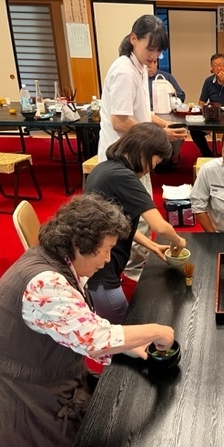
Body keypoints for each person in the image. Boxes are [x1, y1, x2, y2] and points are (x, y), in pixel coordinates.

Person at [0, 194, 177, 447]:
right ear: (79, 244)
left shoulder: (52, 256)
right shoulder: (45, 283)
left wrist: (134, 345)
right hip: (28, 382)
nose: (109, 259)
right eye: (106, 250)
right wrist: (158, 331)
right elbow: (94, 338)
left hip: (27, 363)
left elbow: (79, 320)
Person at [97, 15, 186, 282]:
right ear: (133, 38)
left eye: (159, 51)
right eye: (151, 48)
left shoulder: (136, 66)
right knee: (141, 217)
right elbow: (120, 120)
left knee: (134, 216)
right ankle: (135, 274)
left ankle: (134, 268)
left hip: (132, 154)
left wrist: (163, 127)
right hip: (124, 157)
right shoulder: (124, 70)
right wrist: (156, 135)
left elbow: (141, 112)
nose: (154, 55)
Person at [85, 123, 186, 324]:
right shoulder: (124, 177)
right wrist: (177, 241)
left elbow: (121, 224)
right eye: (154, 162)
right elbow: (160, 226)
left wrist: (153, 245)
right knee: (127, 332)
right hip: (102, 272)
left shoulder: (105, 168)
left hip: (95, 266)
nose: (151, 169)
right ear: (144, 152)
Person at [191, 53, 224, 157]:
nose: (219, 68)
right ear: (211, 68)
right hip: (213, 117)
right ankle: (208, 155)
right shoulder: (208, 81)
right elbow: (201, 102)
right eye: (215, 66)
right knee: (195, 130)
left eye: (221, 64)